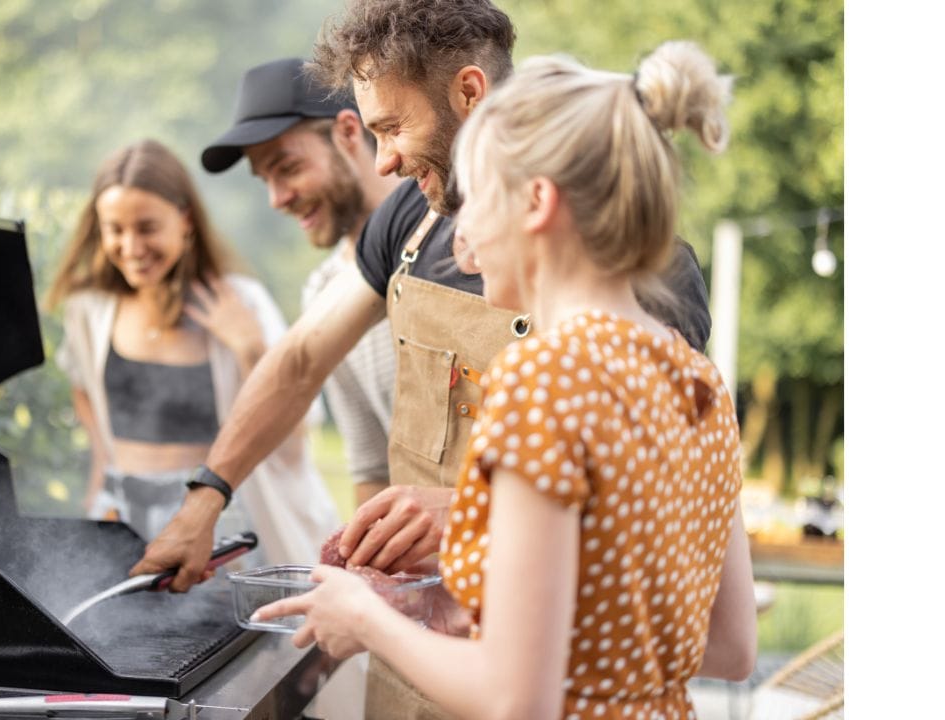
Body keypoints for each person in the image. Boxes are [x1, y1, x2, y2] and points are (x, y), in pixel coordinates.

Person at [130, 1, 711, 715]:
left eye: (393, 127)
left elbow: (648, 519)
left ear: (469, 92)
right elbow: (302, 358)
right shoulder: (406, 219)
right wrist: (206, 496)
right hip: (419, 654)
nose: (383, 162)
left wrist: (473, 513)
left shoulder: (642, 288)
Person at [254, 41, 759, 719]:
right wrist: (461, 612)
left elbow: (516, 699)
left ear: (537, 204)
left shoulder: (542, 380)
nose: (461, 242)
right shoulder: (697, 383)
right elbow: (729, 648)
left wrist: (368, 622)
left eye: (476, 202)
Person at [45, 139, 338, 566]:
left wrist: (250, 345)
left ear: (184, 219)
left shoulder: (242, 301)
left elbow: (297, 428)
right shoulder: (90, 310)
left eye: (146, 228)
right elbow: (83, 388)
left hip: (214, 518)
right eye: (115, 229)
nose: (131, 247)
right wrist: (99, 471)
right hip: (119, 515)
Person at [201, 57, 402, 510]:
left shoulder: (448, 240)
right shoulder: (322, 292)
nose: (277, 199)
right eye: (265, 180)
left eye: (287, 168)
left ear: (349, 133)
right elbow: (372, 469)